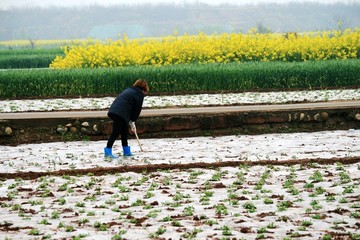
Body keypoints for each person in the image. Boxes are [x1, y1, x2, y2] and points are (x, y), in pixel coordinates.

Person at [104, 79, 149, 158]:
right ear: (144, 88)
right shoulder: (139, 94)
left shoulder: (129, 89)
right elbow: (136, 110)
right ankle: (108, 150)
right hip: (120, 114)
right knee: (116, 132)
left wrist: (131, 121)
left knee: (124, 131)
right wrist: (133, 120)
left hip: (115, 111)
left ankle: (126, 151)